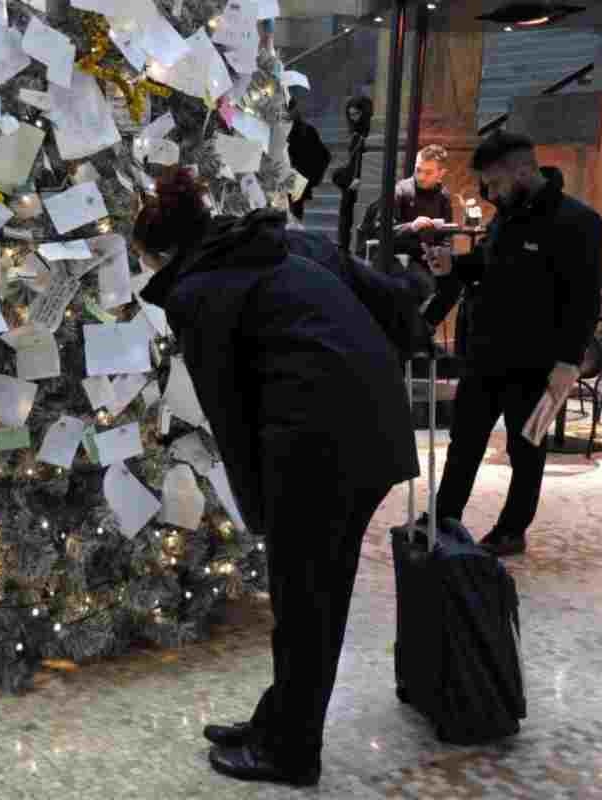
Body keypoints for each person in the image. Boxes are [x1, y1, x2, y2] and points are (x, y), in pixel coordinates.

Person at [136, 170, 419, 787]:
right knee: (310, 595)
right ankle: (277, 721)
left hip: (319, 443)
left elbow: (229, 415)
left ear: (161, 252)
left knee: (307, 600)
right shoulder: (276, 241)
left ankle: (291, 751)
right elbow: (391, 300)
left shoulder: (198, 291)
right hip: (364, 424)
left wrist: (260, 509)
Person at [423, 131, 602, 557]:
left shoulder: (579, 222)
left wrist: (569, 362)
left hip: (543, 365)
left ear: (523, 170)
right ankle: (443, 515)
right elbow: (486, 263)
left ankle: (511, 529)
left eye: (495, 182)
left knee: (529, 448)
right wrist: (454, 264)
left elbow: (585, 299)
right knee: (464, 442)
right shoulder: (507, 213)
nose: (490, 192)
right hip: (485, 356)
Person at [391, 145, 453, 296]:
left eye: (428, 172)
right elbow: (382, 229)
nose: (421, 177)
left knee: (454, 283)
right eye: (418, 170)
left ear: (441, 174)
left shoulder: (443, 196)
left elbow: (447, 234)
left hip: (431, 259)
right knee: (424, 284)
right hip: (400, 258)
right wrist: (412, 226)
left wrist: (442, 251)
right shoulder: (400, 190)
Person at [331, 96, 373, 254]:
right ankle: (343, 244)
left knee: (348, 210)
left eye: (356, 114)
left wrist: (358, 178)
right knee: (345, 210)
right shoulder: (357, 132)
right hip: (352, 176)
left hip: (359, 177)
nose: (353, 118)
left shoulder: (365, 133)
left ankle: (344, 245)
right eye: (351, 115)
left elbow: (360, 158)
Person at [286, 98, 331, 222]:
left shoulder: (306, 130)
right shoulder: (275, 130)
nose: (285, 114)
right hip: (277, 179)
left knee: (294, 219)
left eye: (288, 109)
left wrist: (308, 179)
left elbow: (324, 156)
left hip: (297, 179)